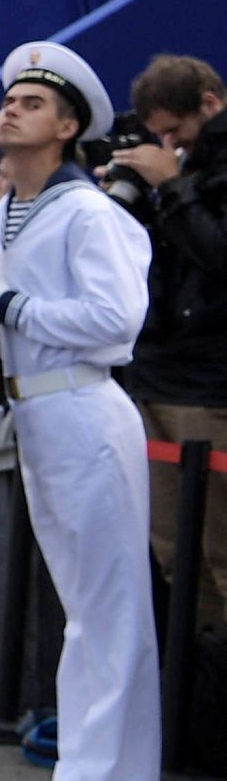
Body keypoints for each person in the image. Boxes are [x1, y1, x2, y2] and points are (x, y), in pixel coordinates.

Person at [0, 43, 159, 781]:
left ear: (69, 126)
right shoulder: (9, 209)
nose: (11, 108)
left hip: (84, 405)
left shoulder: (87, 211)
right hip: (36, 413)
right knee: (79, 604)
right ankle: (83, 765)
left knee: (110, 601)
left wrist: (8, 307)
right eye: (9, 99)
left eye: (34, 103)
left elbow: (116, 323)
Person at [114, 54, 227, 632]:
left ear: (210, 106)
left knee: (219, 554)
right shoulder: (181, 173)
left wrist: (174, 186)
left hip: (208, 389)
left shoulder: (196, 176)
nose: (167, 146)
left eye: (174, 132)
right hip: (156, 376)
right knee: (173, 558)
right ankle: (193, 712)